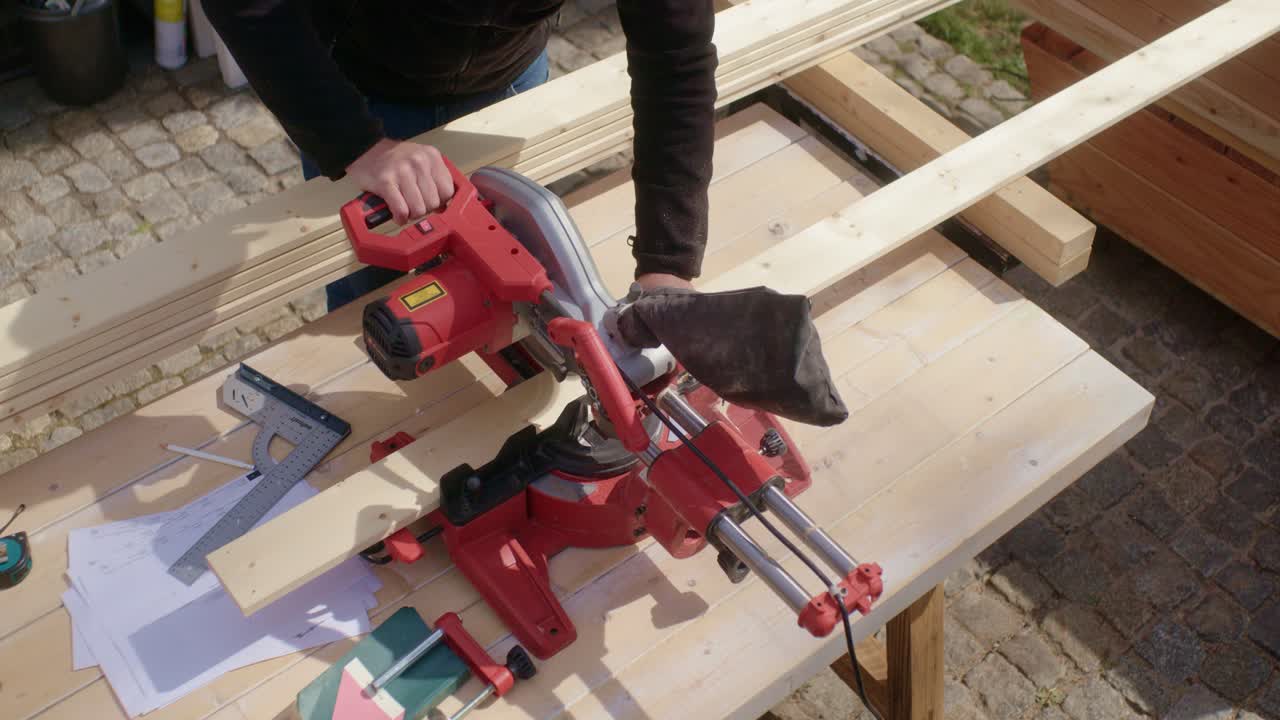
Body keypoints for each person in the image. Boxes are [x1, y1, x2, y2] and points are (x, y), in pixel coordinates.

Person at [202, 0, 718, 311]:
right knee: (372, 302)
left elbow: (676, 63)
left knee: (520, 276)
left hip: (507, 82)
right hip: (360, 89)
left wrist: (666, 264)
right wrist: (353, 144)